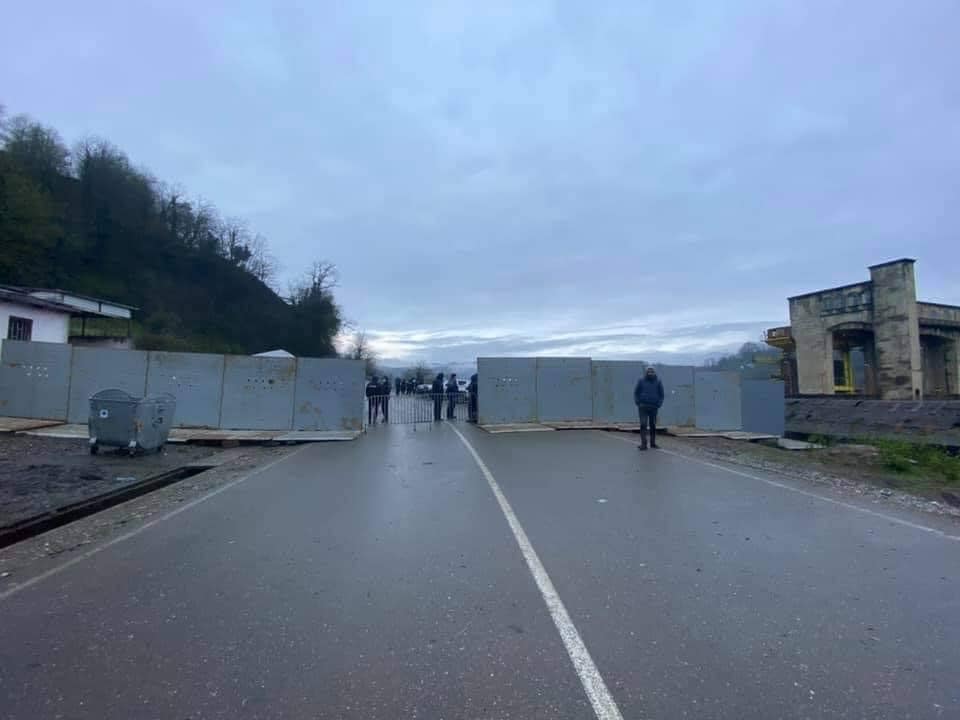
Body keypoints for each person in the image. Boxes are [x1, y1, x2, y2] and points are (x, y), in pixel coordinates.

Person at [633, 366, 664, 450]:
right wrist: (638, 403)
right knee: (643, 424)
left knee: (652, 425)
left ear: (654, 373)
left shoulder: (658, 382)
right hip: (643, 407)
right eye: (648, 372)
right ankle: (643, 444)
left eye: (652, 372)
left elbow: (661, 395)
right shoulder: (641, 381)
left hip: (654, 407)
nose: (650, 373)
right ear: (646, 373)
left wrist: (659, 404)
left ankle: (653, 443)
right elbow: (636, 393)